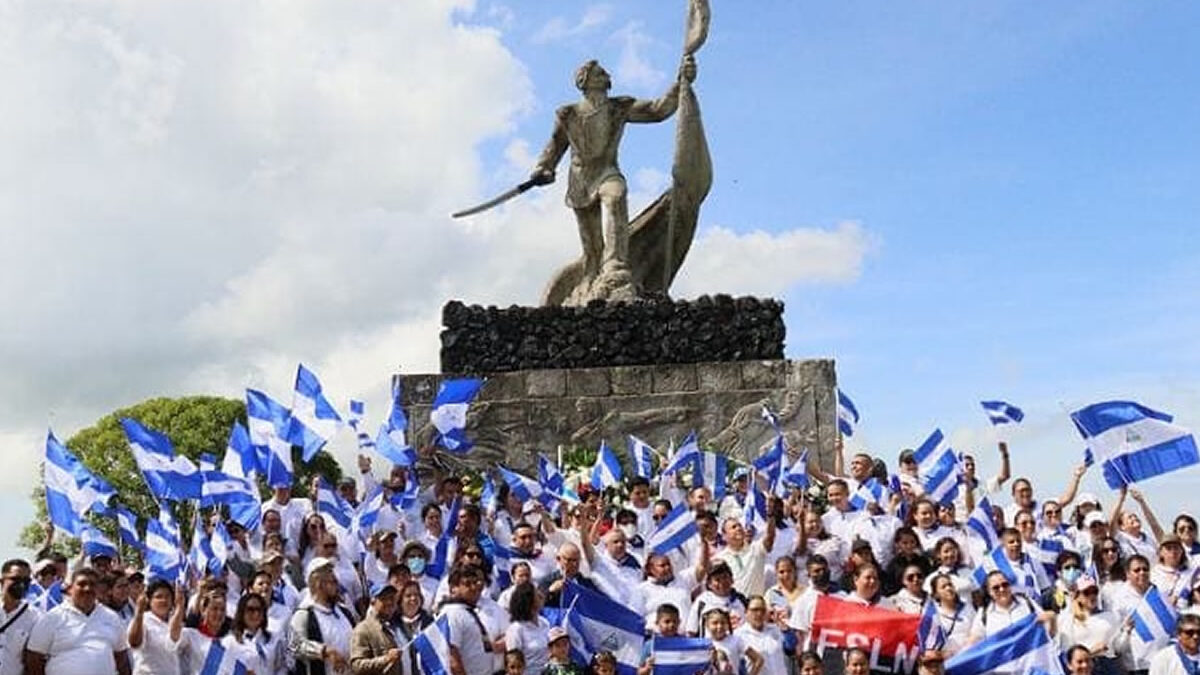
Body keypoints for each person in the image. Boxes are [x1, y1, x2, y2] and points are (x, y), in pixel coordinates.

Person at [531, 56, 698, 301]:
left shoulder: (618, 108)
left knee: (616, 197)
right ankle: (590, 280)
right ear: (584, 81)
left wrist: (681, 81)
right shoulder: (569, 115)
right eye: (599, 73)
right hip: (580, 180)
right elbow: (555, 146)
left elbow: (657, 110)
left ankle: (616, 268)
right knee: (593, 247)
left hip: (608, 172)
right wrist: (544, 167)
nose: (606, 75)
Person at [25, 567, 131, 675]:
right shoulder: (52, 618)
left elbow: (121, 658)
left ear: (98, 589)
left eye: (92, 584)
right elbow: (34, 658)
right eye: (82, 584)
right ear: (70, 588)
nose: (87, 588)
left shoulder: (111, 617)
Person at [289, 558, 356, 675]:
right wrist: (324, 651)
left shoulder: (344, 611)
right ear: (318, 584)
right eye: (332, 582)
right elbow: (294, 645)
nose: (337, 586)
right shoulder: (304, 614)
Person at [1055, 576, 1120, 675]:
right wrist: (1090, 653)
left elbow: (1118, 647)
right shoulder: (1068, 620)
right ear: (1078, 596)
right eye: (1086, 592)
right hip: (1083, 667)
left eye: (1094, 591)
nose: (1092, 596)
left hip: (1108, 666)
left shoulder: (1110, 617)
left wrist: (1127, 632)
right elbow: (1067, 651)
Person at [439, 565, 492, 675]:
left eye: (475, 583)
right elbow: (452, 657)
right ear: (453, 588)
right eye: (467, 584)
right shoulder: (452, 613)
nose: (474, 588)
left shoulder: (467, 611)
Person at [126, 579, 184, 675]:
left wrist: (180, 607)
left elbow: (173, 642)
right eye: (158, 597)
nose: (164, 600)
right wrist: (139, 612)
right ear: (149, 600)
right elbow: (134, 643)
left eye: (167, 596)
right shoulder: (143, 620)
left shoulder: (174, 620)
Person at [224, 592, 286, 675]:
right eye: (250, 609)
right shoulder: (230, 642)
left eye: (259, 610)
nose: (256, 614)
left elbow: (281, 667)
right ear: (242, 612)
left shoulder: (273, 638)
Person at [349, 583, 403, 675]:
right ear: (373, 601)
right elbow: (356, 666)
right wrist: (386, 659)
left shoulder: (397, 627)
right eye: (384, 598)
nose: (389, 602)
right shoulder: (363, 629)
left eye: (392, 599)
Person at [0, 559, 40, 675]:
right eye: (15, 579)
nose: (21, 584)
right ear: (2, 581)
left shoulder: (36, 618)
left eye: (26, 581)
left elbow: (33, 659)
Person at [504, 583, 550, 675]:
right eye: (536, 594)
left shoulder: (544, 623)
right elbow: (513, 661)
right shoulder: (516, 629)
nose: (541, 596)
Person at [733, 596, 785, 675]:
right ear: (746, 611)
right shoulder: (738, 636)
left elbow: (790, 650)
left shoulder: (775, 630)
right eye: (755, 610)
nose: (759, 614)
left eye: (762, 610)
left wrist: (786, 629)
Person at [928, 573, 974, 656]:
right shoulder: (933, 616)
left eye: (950, 585)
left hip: (970, 656)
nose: (948, 588)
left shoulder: (968, 608)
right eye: (943, 587)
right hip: (948, 662)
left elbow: (977, 632)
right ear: (936, 594)